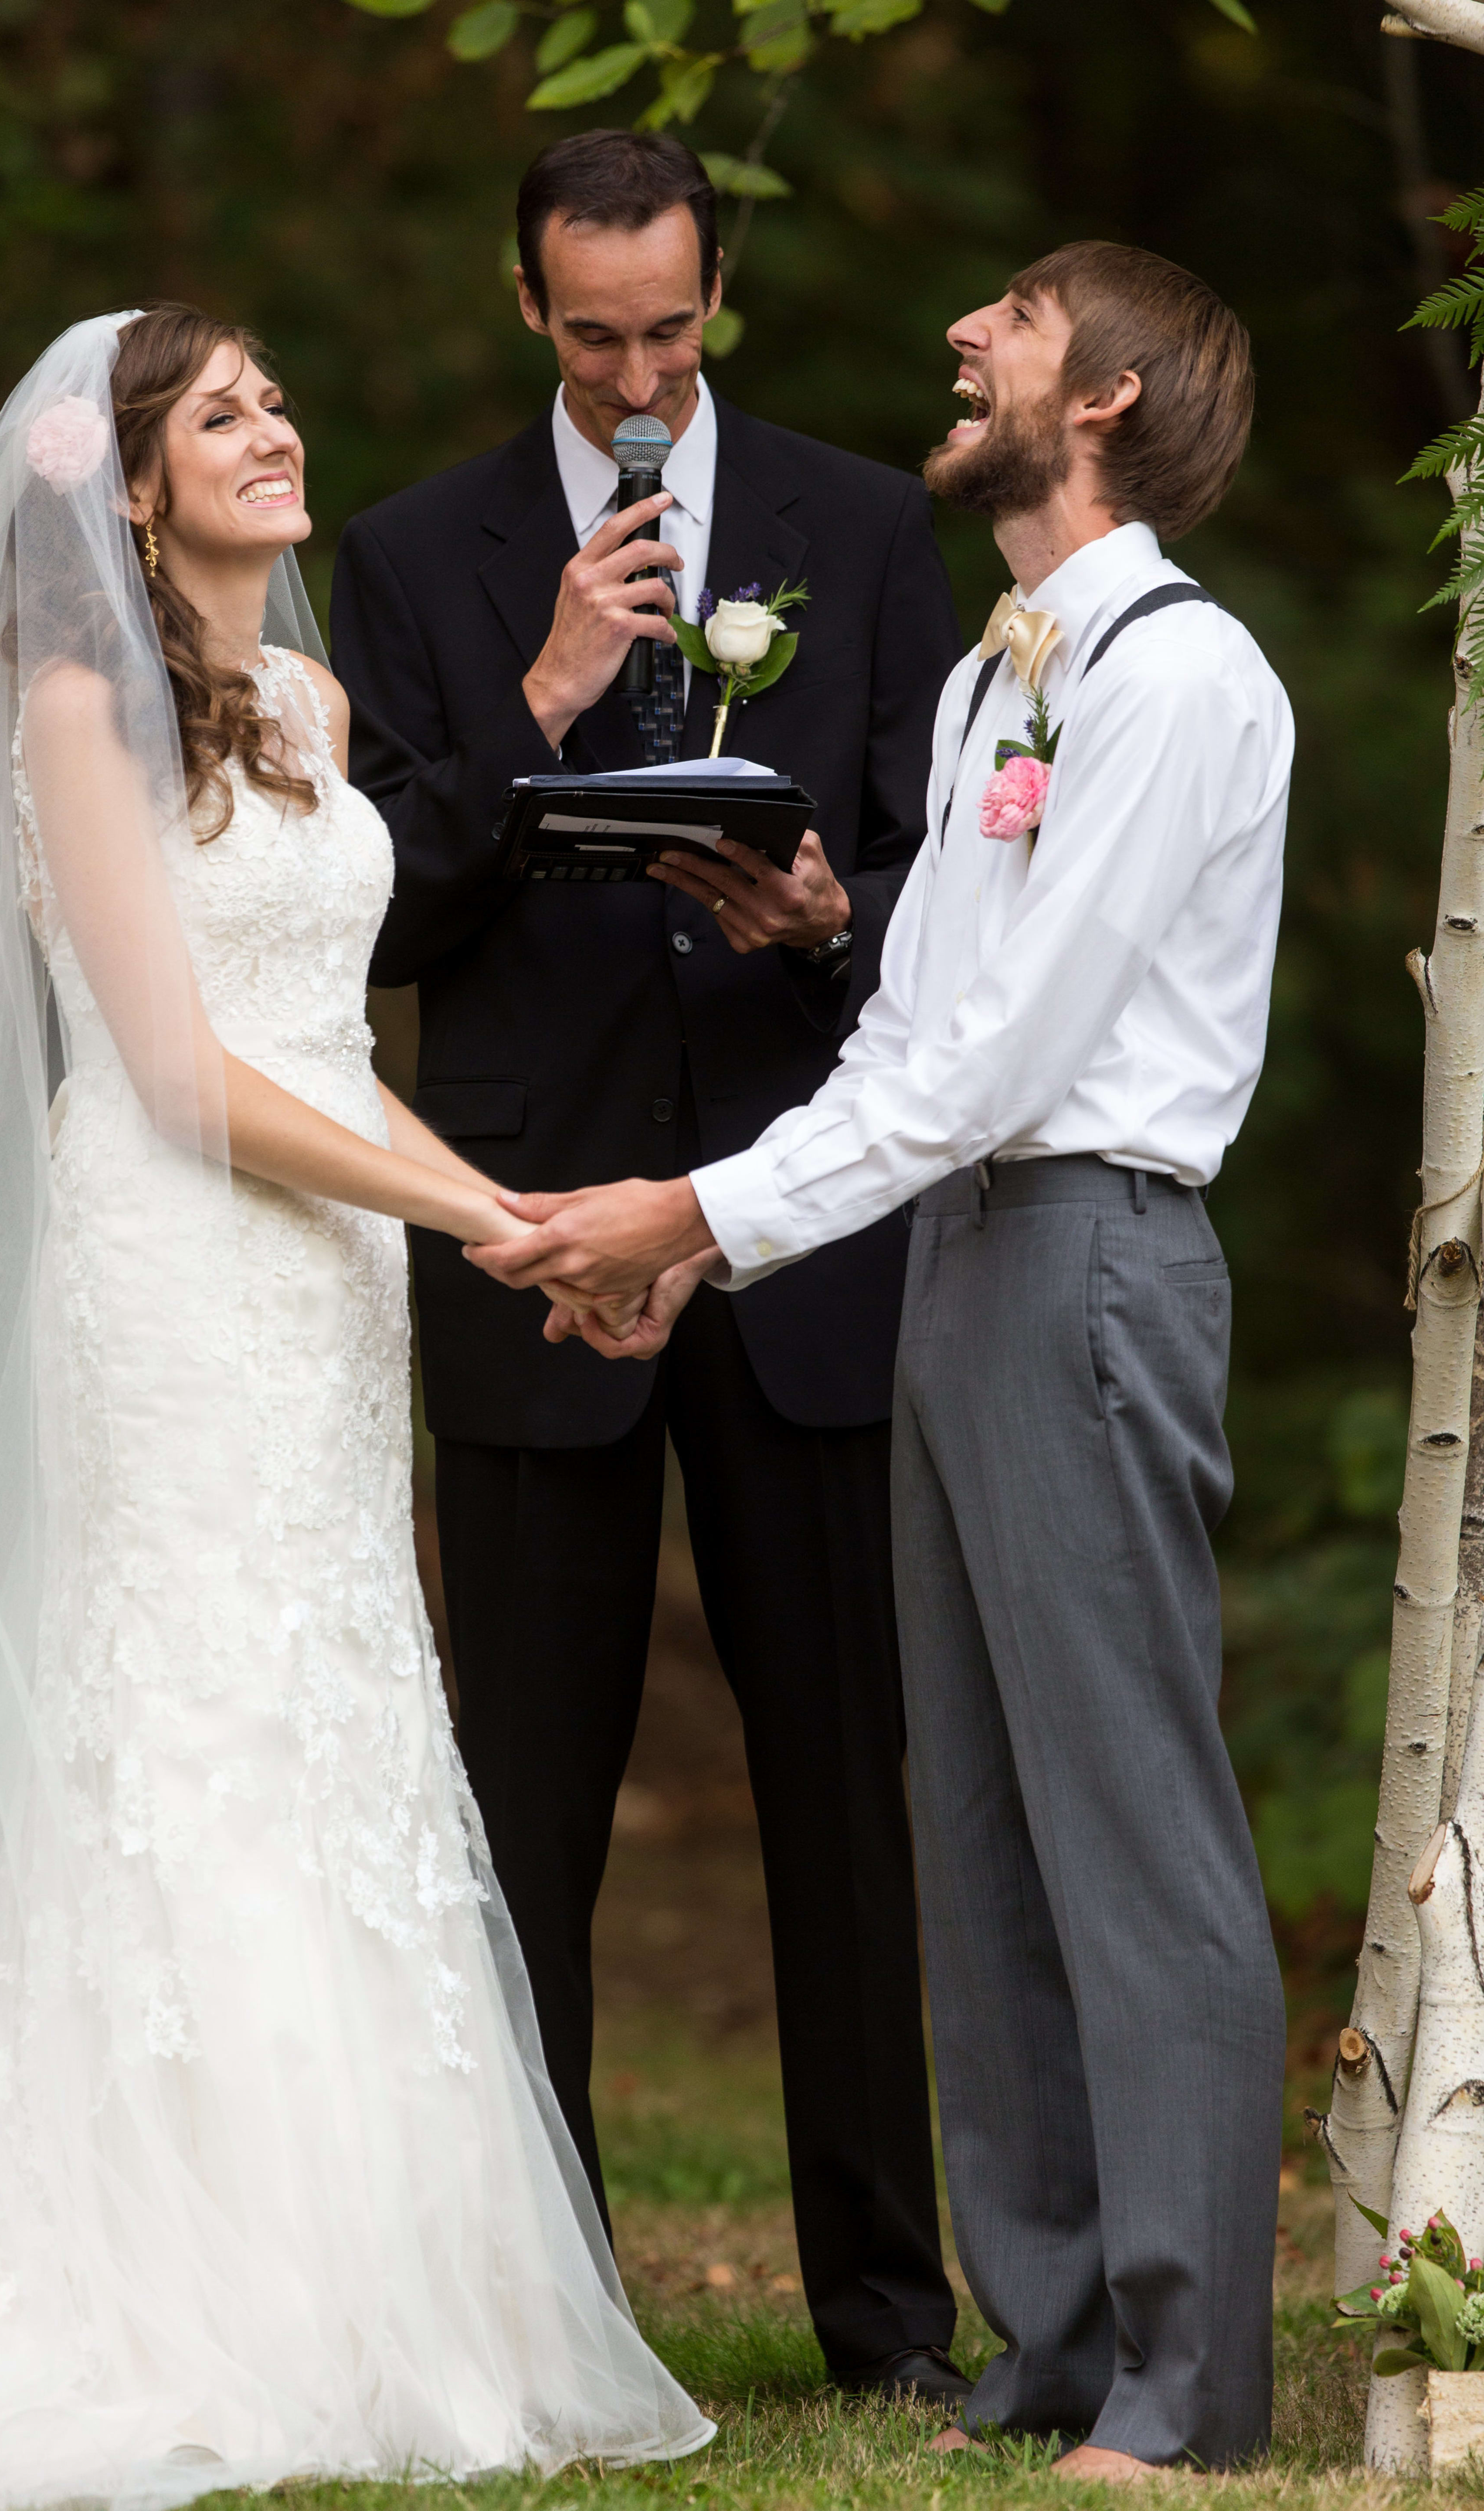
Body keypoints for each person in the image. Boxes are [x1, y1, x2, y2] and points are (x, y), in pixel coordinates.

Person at [0, 304, 713, 2504]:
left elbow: (315, 1049)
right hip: (177, 1260)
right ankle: (167, 2279)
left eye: (282, 398)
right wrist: (492, 1229)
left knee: (344, 1706)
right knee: (196, 1709)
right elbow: (182, 1074)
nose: (277, 430)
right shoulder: (70, 706)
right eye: (223, 416)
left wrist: (498, 1208)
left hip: (324, 1275)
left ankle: (388, 2283)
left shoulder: (310, 700)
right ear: (131, 489)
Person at [470, 242, 1294, 2476]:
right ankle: (1041, 2352)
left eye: (1013, 323)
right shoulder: (993, 683)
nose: (962, 340)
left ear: (1104, 394)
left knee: (1130, 1823)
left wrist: (696, 1211)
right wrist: (705, 1253)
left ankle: (1192, 2378)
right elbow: (913, 1035)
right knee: (986, 1826)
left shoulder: (1185, 684)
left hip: (1096, 1259)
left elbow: (1010, 1061)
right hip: (949, 1261)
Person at [329, 127, 969, 2403]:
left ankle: (890, 2320)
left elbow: (942, 886)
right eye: (592, 334)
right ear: (529, 310)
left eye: (670, 331)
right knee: (526, 1802)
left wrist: (833, 921)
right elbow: (368, 917)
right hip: (528, 1222)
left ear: (723, 301)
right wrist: (543, 693)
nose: (632, 371)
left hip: (797, 1212)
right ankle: (547, 2319)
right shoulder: (409, 557)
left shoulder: (870, 525)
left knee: (846, 1788)